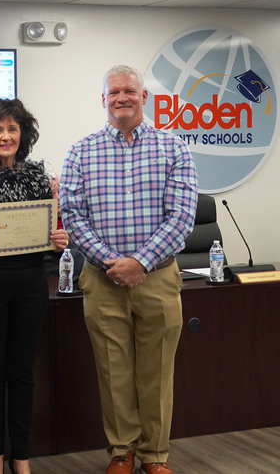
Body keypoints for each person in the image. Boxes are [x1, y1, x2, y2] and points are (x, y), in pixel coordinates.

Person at [60, 65, 198, 474]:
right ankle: (122, 452)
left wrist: (140, 262)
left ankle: (156, 456)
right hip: (103, 282)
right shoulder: (80, 151)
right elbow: (72, 215)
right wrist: (111, 263)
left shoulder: (174, 149)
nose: (122, 97)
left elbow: (182, 217)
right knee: (113, 370)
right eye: (114, 92)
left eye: (130, 91)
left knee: (157, 374)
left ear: (144, 97)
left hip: (157, 278)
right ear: (103, 100)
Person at [0, 98, 69, 474]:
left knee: (22, 373)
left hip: (28, 287)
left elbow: (48, 237)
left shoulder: (40, 179)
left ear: (23, 134)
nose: (6, 137)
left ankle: (21, 458)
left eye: (13, 129)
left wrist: (58, 242)